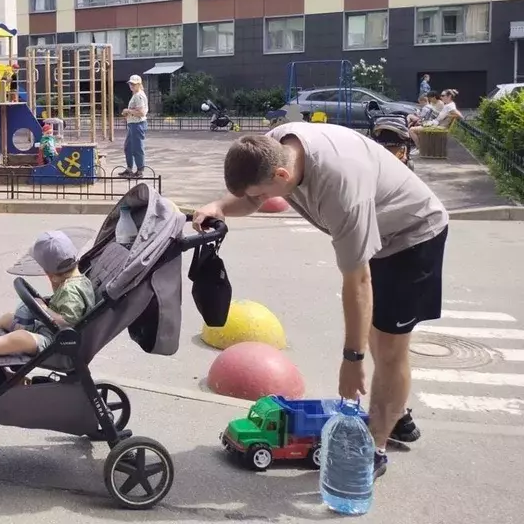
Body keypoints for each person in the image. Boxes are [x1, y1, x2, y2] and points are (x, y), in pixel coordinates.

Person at [192, 123, 449, 479]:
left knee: (388, 347)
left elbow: (358, 281)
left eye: (260, 195)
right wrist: (219, 205)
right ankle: (394, 409)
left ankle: (373, 449)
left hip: (413, 236)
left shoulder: (342, 191)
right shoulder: (278, 146)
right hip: (379, 231)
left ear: (282, 174)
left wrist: (352, 360)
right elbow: (250, 197)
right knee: (376, 336)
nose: (256, 202)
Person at [0, 230, 95, 361]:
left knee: (20, 337)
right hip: (49, 329)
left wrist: (44, 309)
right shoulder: (79, 281)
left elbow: (69, 322)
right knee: (9, 317)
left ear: (53, 276)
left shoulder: (71, 291)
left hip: (58, 342)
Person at [120, 74, 148, 177]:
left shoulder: (138, 96)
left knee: (137, 148)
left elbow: (141, 112)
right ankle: (129, 169)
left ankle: (140, 170)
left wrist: (128, 111)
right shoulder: (136, 94)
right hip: (133, 124)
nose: (131, 86)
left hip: (138, 124)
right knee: (128, 147)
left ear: (139, 84)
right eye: (130, 84)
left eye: (134, 84)